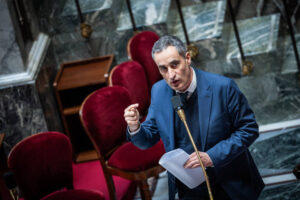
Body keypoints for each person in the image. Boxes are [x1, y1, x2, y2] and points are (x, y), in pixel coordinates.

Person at [124, 35, 264, 200]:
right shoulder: (159, 91)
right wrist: (135, 127)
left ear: (187, 58)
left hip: (227, 182)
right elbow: (147, 140)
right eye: (163, 69)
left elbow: (248, 129)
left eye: (174, 65)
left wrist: (211, 156)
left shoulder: (223, 87)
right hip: (188, 187)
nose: (171, 75)